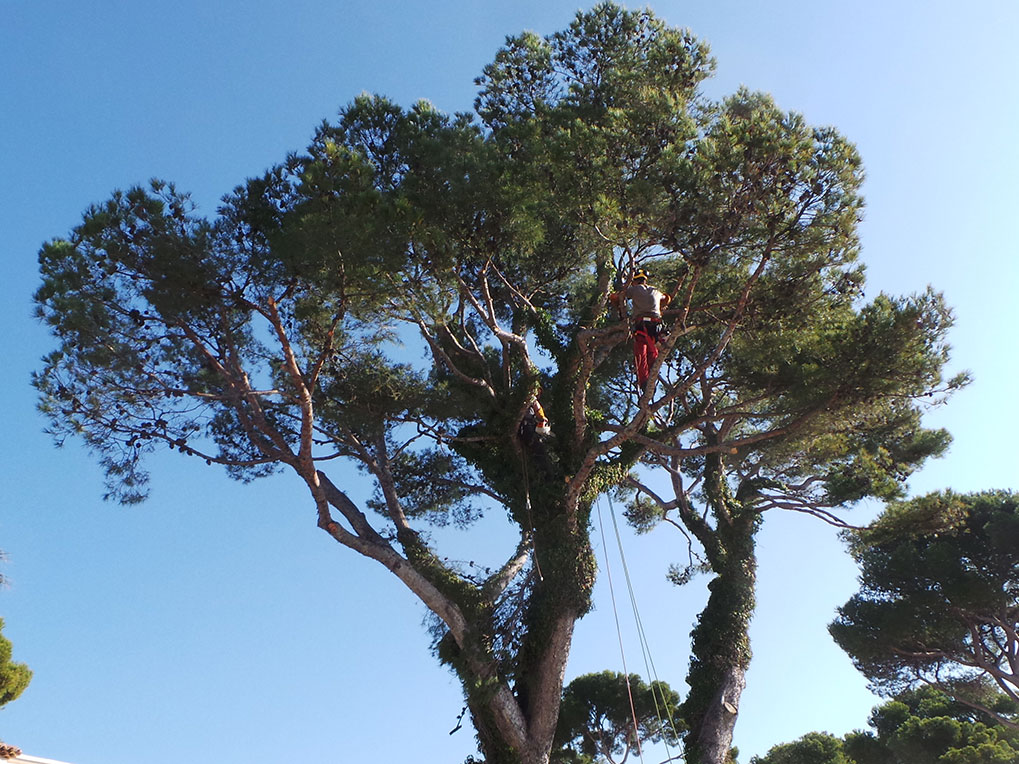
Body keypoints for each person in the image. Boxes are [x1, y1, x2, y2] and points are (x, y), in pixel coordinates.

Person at [609, 269, 671, 389]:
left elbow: (616, 296)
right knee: (652, 353)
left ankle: (643, 383)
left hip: (642, 325)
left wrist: (619, 308)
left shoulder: (634, 289)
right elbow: (667, 298)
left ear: (634, 281)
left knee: (640, 354)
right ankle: (651, 379)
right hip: (656, 326)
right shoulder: (655, 290)